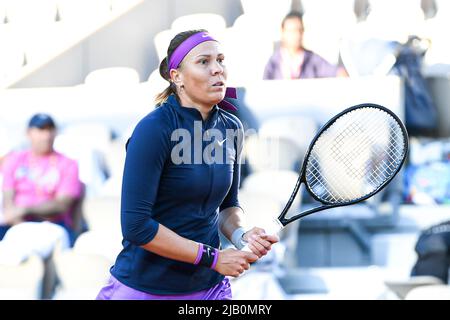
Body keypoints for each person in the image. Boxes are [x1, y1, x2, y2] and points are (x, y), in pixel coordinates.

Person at [96, 29, 279, 300]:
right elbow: (136, 226)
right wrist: (213, 258)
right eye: (204, 62)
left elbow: (227, 206)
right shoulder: (153, 129)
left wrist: (241, 235)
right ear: (176, 76)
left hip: (208, 289)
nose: (217, 69)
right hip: (145, 289)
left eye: (221, 60)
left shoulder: (232, 127)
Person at [1, 113, 83, 245]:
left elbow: (61, 205)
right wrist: (20, 224)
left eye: (50, 129)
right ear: (28, 133)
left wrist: (25, 209)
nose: (47, 136)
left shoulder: (68, 164)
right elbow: (8, 205)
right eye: (41, 130)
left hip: (54, 225)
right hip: (18, 225)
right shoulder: (15, 160)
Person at [263, 11, 348, 80]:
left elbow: (338, 72)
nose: (296, 35)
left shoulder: (312, 59)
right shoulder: (273, 62)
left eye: (299, 30)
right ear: (282, 32)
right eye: (291, 31)